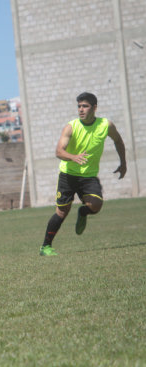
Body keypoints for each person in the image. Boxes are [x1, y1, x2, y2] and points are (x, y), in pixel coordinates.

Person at [40, 92, 126, 256]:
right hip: (68, 175)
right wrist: (74, 157)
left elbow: (118, 141)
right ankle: (45, 246)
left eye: (85, 106)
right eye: (79, 106)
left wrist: (124, 163)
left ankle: (83, 212)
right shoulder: (71, 126)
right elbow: (59, 151)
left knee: (96, 205)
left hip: (88, 176)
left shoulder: (105, 125)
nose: (81, 109)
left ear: (94, 108)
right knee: (62, 212)